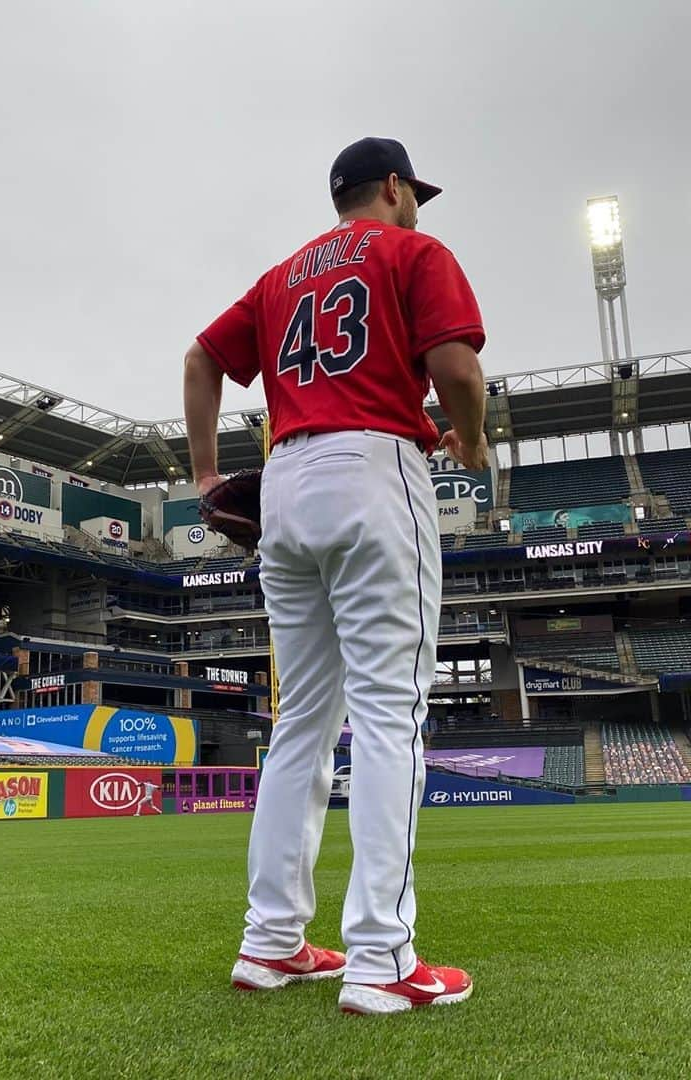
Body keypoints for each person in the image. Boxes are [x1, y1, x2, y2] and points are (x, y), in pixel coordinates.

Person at [184, 137, 487, 1015]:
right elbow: (456, 368)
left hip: (287, 480)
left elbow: (202, 359)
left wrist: (207, 477)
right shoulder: (414, 250)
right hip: (375, 465)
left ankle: (270, 944)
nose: (418, 206)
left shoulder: (282, 275)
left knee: (302, 725)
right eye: (413, 192)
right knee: (392, 713)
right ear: (392, 187)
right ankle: (382, 960)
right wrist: (468, 433)